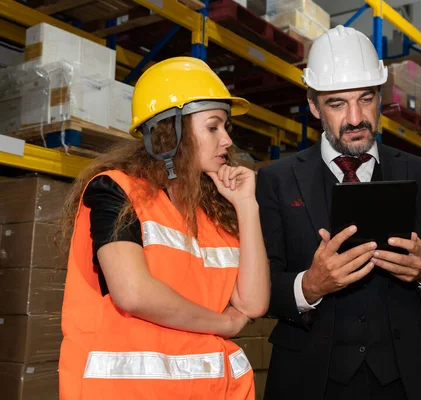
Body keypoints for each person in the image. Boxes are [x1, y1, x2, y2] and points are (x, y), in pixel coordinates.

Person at [256, 26, 421, 400]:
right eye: (337, 104)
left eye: (365, 99)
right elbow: (258, 288)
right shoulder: (275, 180)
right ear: (314, 105)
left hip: (408, 379)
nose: (355, 118)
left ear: (380, 98)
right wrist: (309, 285)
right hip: (311, 379)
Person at [58, 57, 270, 400]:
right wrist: (224, 324)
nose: (228, 141)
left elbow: (254, 303)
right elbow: (133, 292)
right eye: (214, 127)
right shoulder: (115, 191)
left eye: (226, 127)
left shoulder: (213, 210)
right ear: (169, 131)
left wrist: (247, 206)